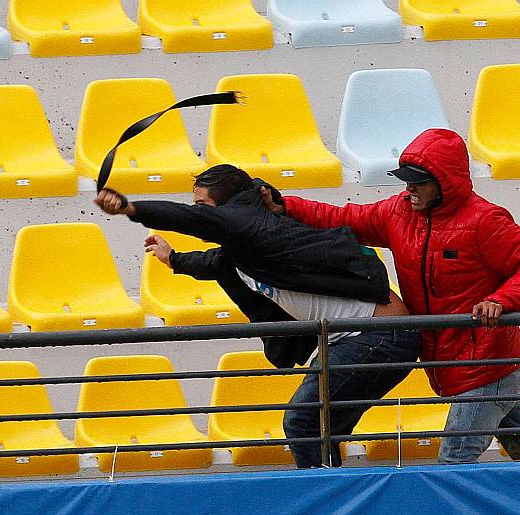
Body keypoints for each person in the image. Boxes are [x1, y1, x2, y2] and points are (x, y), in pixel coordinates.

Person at [94, 165, 421, 467]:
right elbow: (214, 262)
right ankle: (336, 500)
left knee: (303, 422)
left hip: (379, 335)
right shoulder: (244, 245)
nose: (198, 213)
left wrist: (131, 209)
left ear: (228, 209)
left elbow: (192, 222)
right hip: (354, 337)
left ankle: (328, 505)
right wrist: (174, 260)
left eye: (203, 205)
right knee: (321, 428)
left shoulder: (255, 227)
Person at [259, 128, 520, 463]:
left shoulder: (485, 220)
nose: (408, 188)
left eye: (418, 181)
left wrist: (501, 300)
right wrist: (285, 206)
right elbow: (342, 218)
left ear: (446, 182)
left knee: (454, 465)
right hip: (460, 362)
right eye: (406, 180)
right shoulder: (398, 212)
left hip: (488, 366)